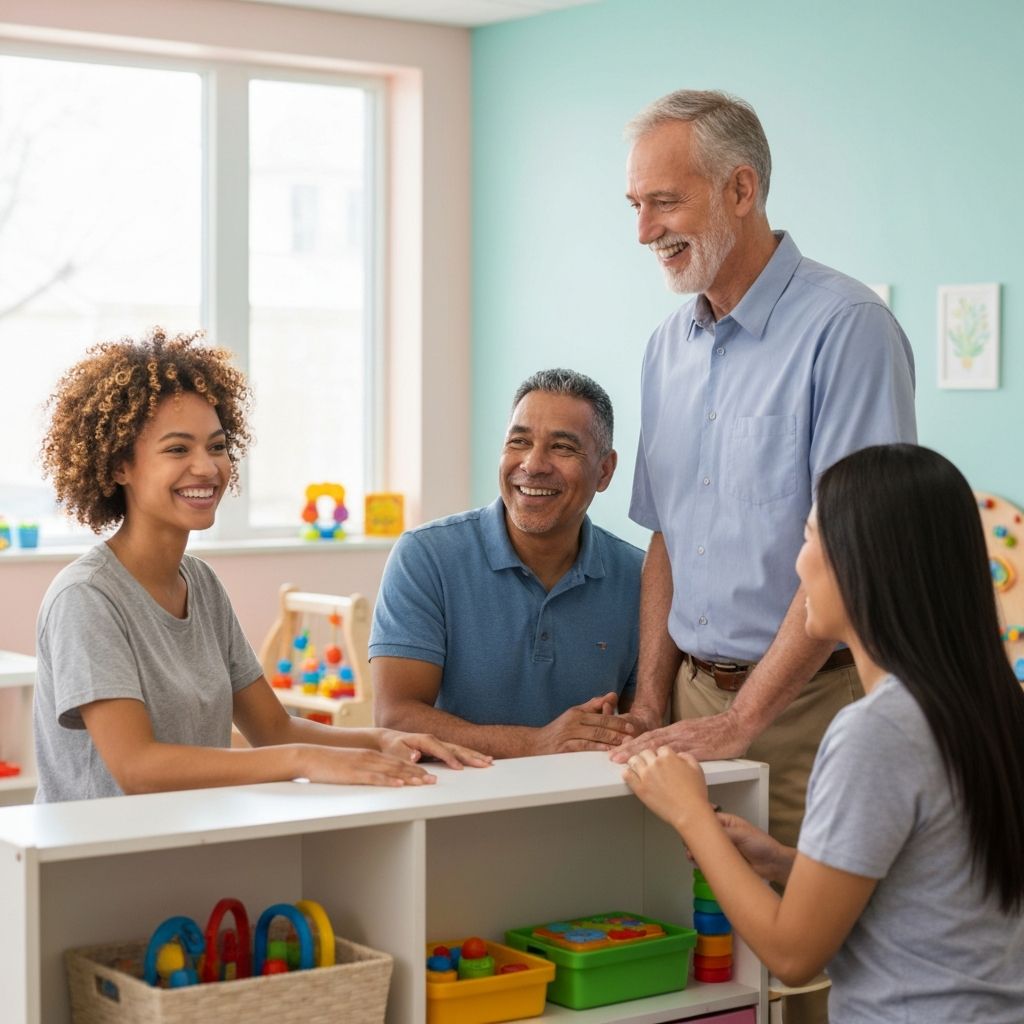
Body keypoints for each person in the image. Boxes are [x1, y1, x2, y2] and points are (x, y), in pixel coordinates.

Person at [612, 90, 917, 852]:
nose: (646, 231)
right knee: (695, 955)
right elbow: (665, 537)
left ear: (741, 190)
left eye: (665, 203)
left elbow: (854, 553)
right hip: (688, 706)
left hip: (810, 707)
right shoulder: (664, 349)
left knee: (797, 959)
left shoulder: (849, 331)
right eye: (635, 206)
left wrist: (744, 720)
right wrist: (651, 701)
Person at [624, 443, 1024, 1023]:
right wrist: (789, 864)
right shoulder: (993, 704)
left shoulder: (877, 731)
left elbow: (793, 953)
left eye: (809, 540)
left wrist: (688, 813)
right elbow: (939, 887)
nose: (798, 565)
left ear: (861, 564)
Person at [34, 328, 490, 803]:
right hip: (96, 862)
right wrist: (303, 761)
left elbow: (271, 727)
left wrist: (379, 740)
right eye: (177, 449)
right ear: (117, 467)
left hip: (184, 844)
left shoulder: (202, 584)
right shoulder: (86, 598)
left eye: (215, 446)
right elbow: (138, 768)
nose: (208, 468)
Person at [371, 368, 643, 757]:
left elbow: (643, 723)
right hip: (453, 802)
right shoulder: (425, 556)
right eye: (519, 441)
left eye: (562, 447)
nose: (533, 464)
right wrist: (537, 743)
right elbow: (396, 716)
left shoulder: (638, 576)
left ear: (604, 470)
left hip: (587, 805)